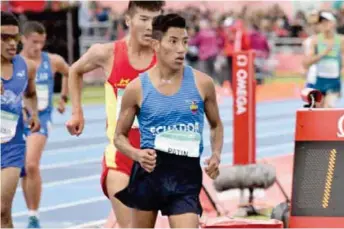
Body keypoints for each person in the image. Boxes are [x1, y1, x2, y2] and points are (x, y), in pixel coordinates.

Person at [113, 13, 224, 228]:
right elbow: (119, 136)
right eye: (173, 41)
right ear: (156, 44)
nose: (181, 49)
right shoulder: (136, 88)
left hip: (185, 174)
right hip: (150, 172)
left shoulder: (203, 84)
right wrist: (136, 154)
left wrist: (216, 154)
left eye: (184, 41)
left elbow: (216, 124)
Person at [66, 1, 164, 227]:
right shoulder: (107, 53)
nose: (150, 27)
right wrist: (77, 112)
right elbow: (75, 70)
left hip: (154, 160)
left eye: (155, 20)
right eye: (143, 19)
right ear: (128, 20)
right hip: (120, 158)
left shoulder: (166, 57)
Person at [19, 20, 70, 228]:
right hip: (17, 120)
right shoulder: (14, 62)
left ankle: (33, 216)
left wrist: (63, 97)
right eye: (33, 42)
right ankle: (31, 212)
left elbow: (71, 72)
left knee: (31, 164)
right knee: (23, 169)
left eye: (41, 42)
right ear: (23, 39)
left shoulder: (53, 60)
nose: (38, 47)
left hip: (43, 117)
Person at [1, 11, 40, 228]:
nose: (11, 44)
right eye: (4, 38)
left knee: (2, 208)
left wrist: (33, 113)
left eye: (14, 38)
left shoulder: (25, 66)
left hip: (12, 145)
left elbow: (31, 94)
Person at [302, 11, 344, 108]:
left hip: (334, 82)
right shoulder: (315, 40)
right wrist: (323, 54)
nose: (325, 25)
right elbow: (306, 63)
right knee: (317, 109)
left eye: (327, 22)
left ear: (333, 23)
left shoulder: (342, 39)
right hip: (319, 81)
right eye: (322, 23)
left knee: (328, 107)